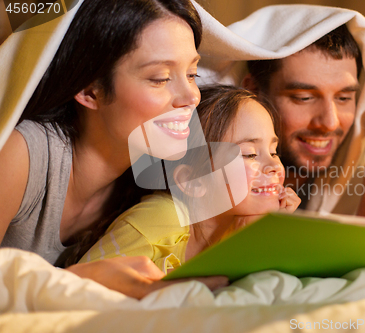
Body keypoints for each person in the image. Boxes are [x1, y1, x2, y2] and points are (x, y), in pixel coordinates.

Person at [0, 0, 228, 299]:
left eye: (192, 74)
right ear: (89, 90)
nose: (190, 97)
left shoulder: (152, 184)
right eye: (160, 78)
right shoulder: (24, 154)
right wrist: (78, 280)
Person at [80, 85, 301, 273]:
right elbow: (79, 287)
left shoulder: (241, 226)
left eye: (274, 151)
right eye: (249, 154)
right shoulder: (162, 218)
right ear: (193, 181)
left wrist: (265, 237)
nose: (274, 166)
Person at [240, 23, 365, 220]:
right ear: (253, 92)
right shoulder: (218, 193)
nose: (331, 122)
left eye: (343, 98)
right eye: (304, 97)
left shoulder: (360, 176)